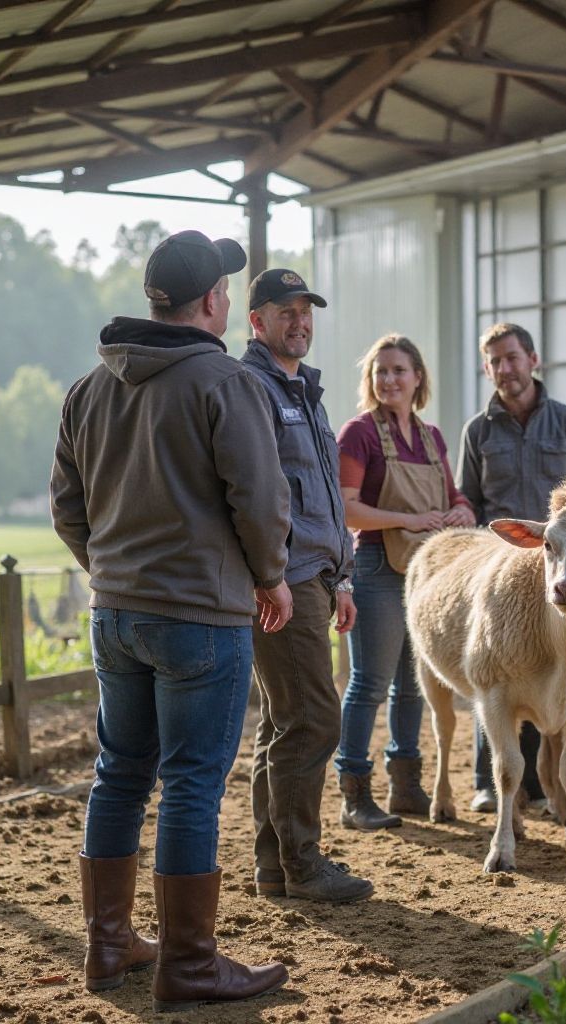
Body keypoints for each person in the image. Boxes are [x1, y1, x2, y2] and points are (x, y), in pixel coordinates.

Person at [50, 230, 292, 1012]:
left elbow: (66, 508)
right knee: (192, 780)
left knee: (119, 774)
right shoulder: (225, 382)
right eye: (226, 288)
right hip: (200, 617)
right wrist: (273, 577)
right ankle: (188, 963)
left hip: (115, 615)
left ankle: (108, 942)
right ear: (215, 301)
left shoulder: (89, 389)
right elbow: (258, 499)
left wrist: (113, 573)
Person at [240, 267, 373, 903]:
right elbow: (257, 496)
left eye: (305, 310)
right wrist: (274, 576)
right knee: (316, 720)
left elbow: (322, 498)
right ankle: (303, 865)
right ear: (255, 322)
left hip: (316, 577)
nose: (299, 321)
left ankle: (275, 866)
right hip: (284, 583)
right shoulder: (253, 389)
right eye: (284, 311)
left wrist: (341, 577)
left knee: (285, 721)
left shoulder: (307, 393)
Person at [335, 334, 475, 830]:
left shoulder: (432, 436)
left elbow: (455, 495)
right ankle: (354, 792)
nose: (389, 379)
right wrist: (408, 519)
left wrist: (460, 510)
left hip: (430, 576)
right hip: (377, 567)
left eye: (398, 370)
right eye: (380, 371)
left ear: (418, 377)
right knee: (369, 684)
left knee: (415, 686)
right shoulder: (359, 434)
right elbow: (346, 507)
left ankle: (407, 785)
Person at [456, 321, 566, 813]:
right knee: (493, 668)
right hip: (500, 568)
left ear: (533, 359)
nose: (504, 369)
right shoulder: (477, 430)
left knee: (547, 666)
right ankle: (488, 783)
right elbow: (468, 502)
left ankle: (537, 786)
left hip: (560, 565)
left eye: (512, 358)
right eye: (494, 361)